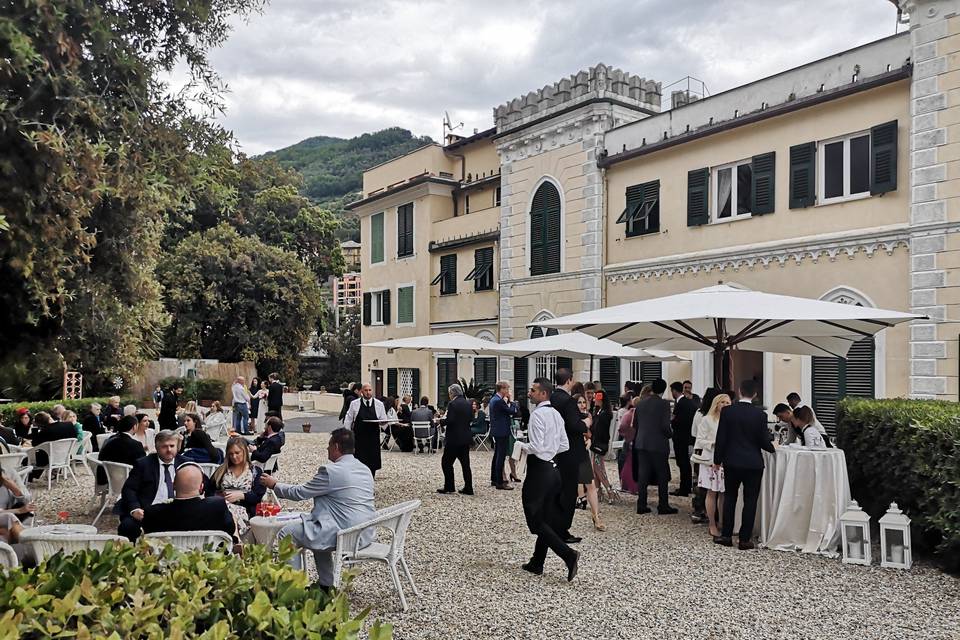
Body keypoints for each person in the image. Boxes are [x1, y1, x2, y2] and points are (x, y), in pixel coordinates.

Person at [262, 428, 376, 589]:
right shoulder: (365, 469)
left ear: (336, 446)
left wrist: (274, 484)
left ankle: (293, 586)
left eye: (329, 445)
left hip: (345, 534)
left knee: (287, 533)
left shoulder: (331, 472)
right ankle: (326, 585)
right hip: (364, 532)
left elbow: (299, 493)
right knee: (315, 527)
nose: (327, 449)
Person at [518, 377, 579, 581]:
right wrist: (550, 452)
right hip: (554, 470)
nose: (530, 393)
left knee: (535, 520)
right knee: (546, 519)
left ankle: (568, 555)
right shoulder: (556, 415)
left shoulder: (537, 415)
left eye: (533, 390)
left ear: (543, 393)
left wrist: (520, 446)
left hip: (539, 471)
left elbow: (536, 446)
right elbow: (564, 445)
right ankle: (537, 561)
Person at [713, 379, 776, 550]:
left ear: (739, 391)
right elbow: (763, 440)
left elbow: (721, 438)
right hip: (753, 463)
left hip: (732, 461)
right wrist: (772, 449)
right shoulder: (760, 415)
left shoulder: (727, 412)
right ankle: (744, 539)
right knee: (750, 500)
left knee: (730, 498)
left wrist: (717, 460)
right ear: (755, 395)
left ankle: (726, 535)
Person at [118, 430, 188, 541]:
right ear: (156, 447)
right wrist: (135, 508)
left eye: (172, 446)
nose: (169, 450)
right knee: (127, 526)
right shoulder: (143, 464)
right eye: (164, 447)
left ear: (177, 446)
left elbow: (204, 485)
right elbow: (129, 489)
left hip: (179, 511)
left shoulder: (186, 464)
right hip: (148, 512)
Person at [142, 463, 235, 542]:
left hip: (167, 562)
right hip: (207, 560)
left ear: (173, 485)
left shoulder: (152, 513)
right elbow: (230, 530)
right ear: (201, 487)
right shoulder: (217, 506)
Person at [550, 369, 591, 544]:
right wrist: (586, 423)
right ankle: (563, 528)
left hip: (555, 450)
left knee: (558, 490)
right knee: (568, 491)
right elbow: (573, 425)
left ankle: (554, 523)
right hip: (570, 451)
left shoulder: (552, 398)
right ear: (569, 381)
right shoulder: (567, 400)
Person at [633, 379, 677, 515]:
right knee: (662, 474)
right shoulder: (663, 404)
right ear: (663, 390)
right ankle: (663, 505)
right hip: (658, 444)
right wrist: (671, 434)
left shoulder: (641, 403)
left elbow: (636, 423)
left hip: (641, 442)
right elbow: (665, 426)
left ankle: (641, 504)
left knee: (643, 475)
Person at [691, 393, 730, 537]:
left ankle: (722, 522)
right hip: (710, 460)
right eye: (723, 402)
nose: (726, 405)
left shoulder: (730, 420)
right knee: (712, 492)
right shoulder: (707, 420)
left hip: (726, 460)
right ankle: (712, 523)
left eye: (728, 402)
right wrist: (714, 443)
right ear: (716, 404)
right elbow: (700, 440)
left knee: (724, 493)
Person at [212, 436, 266, 540]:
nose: (234, 457)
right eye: (231, 454)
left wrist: (242, 495)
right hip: (222, 508)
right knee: (226, 508)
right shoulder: (221, 470)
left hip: (245, 510)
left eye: (237, 453)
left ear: (244, 452)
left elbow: (258, 495)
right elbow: (209, 489)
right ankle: (236, 539)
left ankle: (235, 537)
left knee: (231, 510)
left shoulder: (255, 472)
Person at [342, 383, 387, 477]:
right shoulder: (355, 404)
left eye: (370, 390)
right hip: (359, 438)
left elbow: (384, 420)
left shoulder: (379, 404)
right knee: (359, 461)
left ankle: (370, 482)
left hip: (373, 438)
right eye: (366, 390)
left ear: (372, 391)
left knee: (372, 462)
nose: (368, 392)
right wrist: (348, 434)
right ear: (362, 392)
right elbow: (349, 419)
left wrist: (383, 423)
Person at [574, 394, 604, 531]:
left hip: (583, 453)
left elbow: (590, 433)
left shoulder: (588, 417)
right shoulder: (574, 418)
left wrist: (589, 439)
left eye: (583, 402)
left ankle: (596, 516)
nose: (582, 405)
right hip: (572, 452)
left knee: (590, 484)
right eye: (579, 402)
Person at [690, 387, 720, 524]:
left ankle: (699, 509)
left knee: (701, 482)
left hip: (700, 451)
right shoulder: (711, 416)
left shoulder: (699, 413)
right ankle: (713, 512)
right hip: (710, 451)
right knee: (713, 484)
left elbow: (693, 433)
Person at [437, 384, 474, 495]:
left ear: (452, 393)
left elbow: (451, 420)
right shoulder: (468, 403)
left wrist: (441, 421)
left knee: (446, 463)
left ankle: (449, 486)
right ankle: (469, 487)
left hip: (454, 438)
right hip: (465, 437)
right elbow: (471, 418)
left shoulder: (452, 404)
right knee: (465, 465)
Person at [98, 415, 148, 485]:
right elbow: (143, 466)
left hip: (107, 479)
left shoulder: (109, 439)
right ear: (134, 427)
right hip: (129, 482)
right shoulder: (136, 444)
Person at [488, 381, 519, 490]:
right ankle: (499, 482)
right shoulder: (499, 401)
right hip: (502, 431)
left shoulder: (494, 400)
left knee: (497, 454)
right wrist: (512, 402)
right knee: (500, 456)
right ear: (502, 389)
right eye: (507, 389)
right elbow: (512, 411)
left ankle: (494, 478)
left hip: (497, 430)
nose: (508, 391)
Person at [669, 381, 697, 497]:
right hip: (687, 436)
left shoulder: (681, 403)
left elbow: (676, 421)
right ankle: (686, 486)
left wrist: (671, 421)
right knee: (685, 463)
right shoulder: (689, 402)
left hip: (681, 437)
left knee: (682, 462)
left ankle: (684, 488)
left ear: (675, 391)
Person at [589, 388, 617, 505]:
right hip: (596, 442)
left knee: (598, 468)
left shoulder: (604, 414)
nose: (594, 399)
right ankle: (599, 491)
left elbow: (601, 430)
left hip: (600, 443)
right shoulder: (599, 412)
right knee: (595, 469)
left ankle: (610, 490)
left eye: (596, 397)